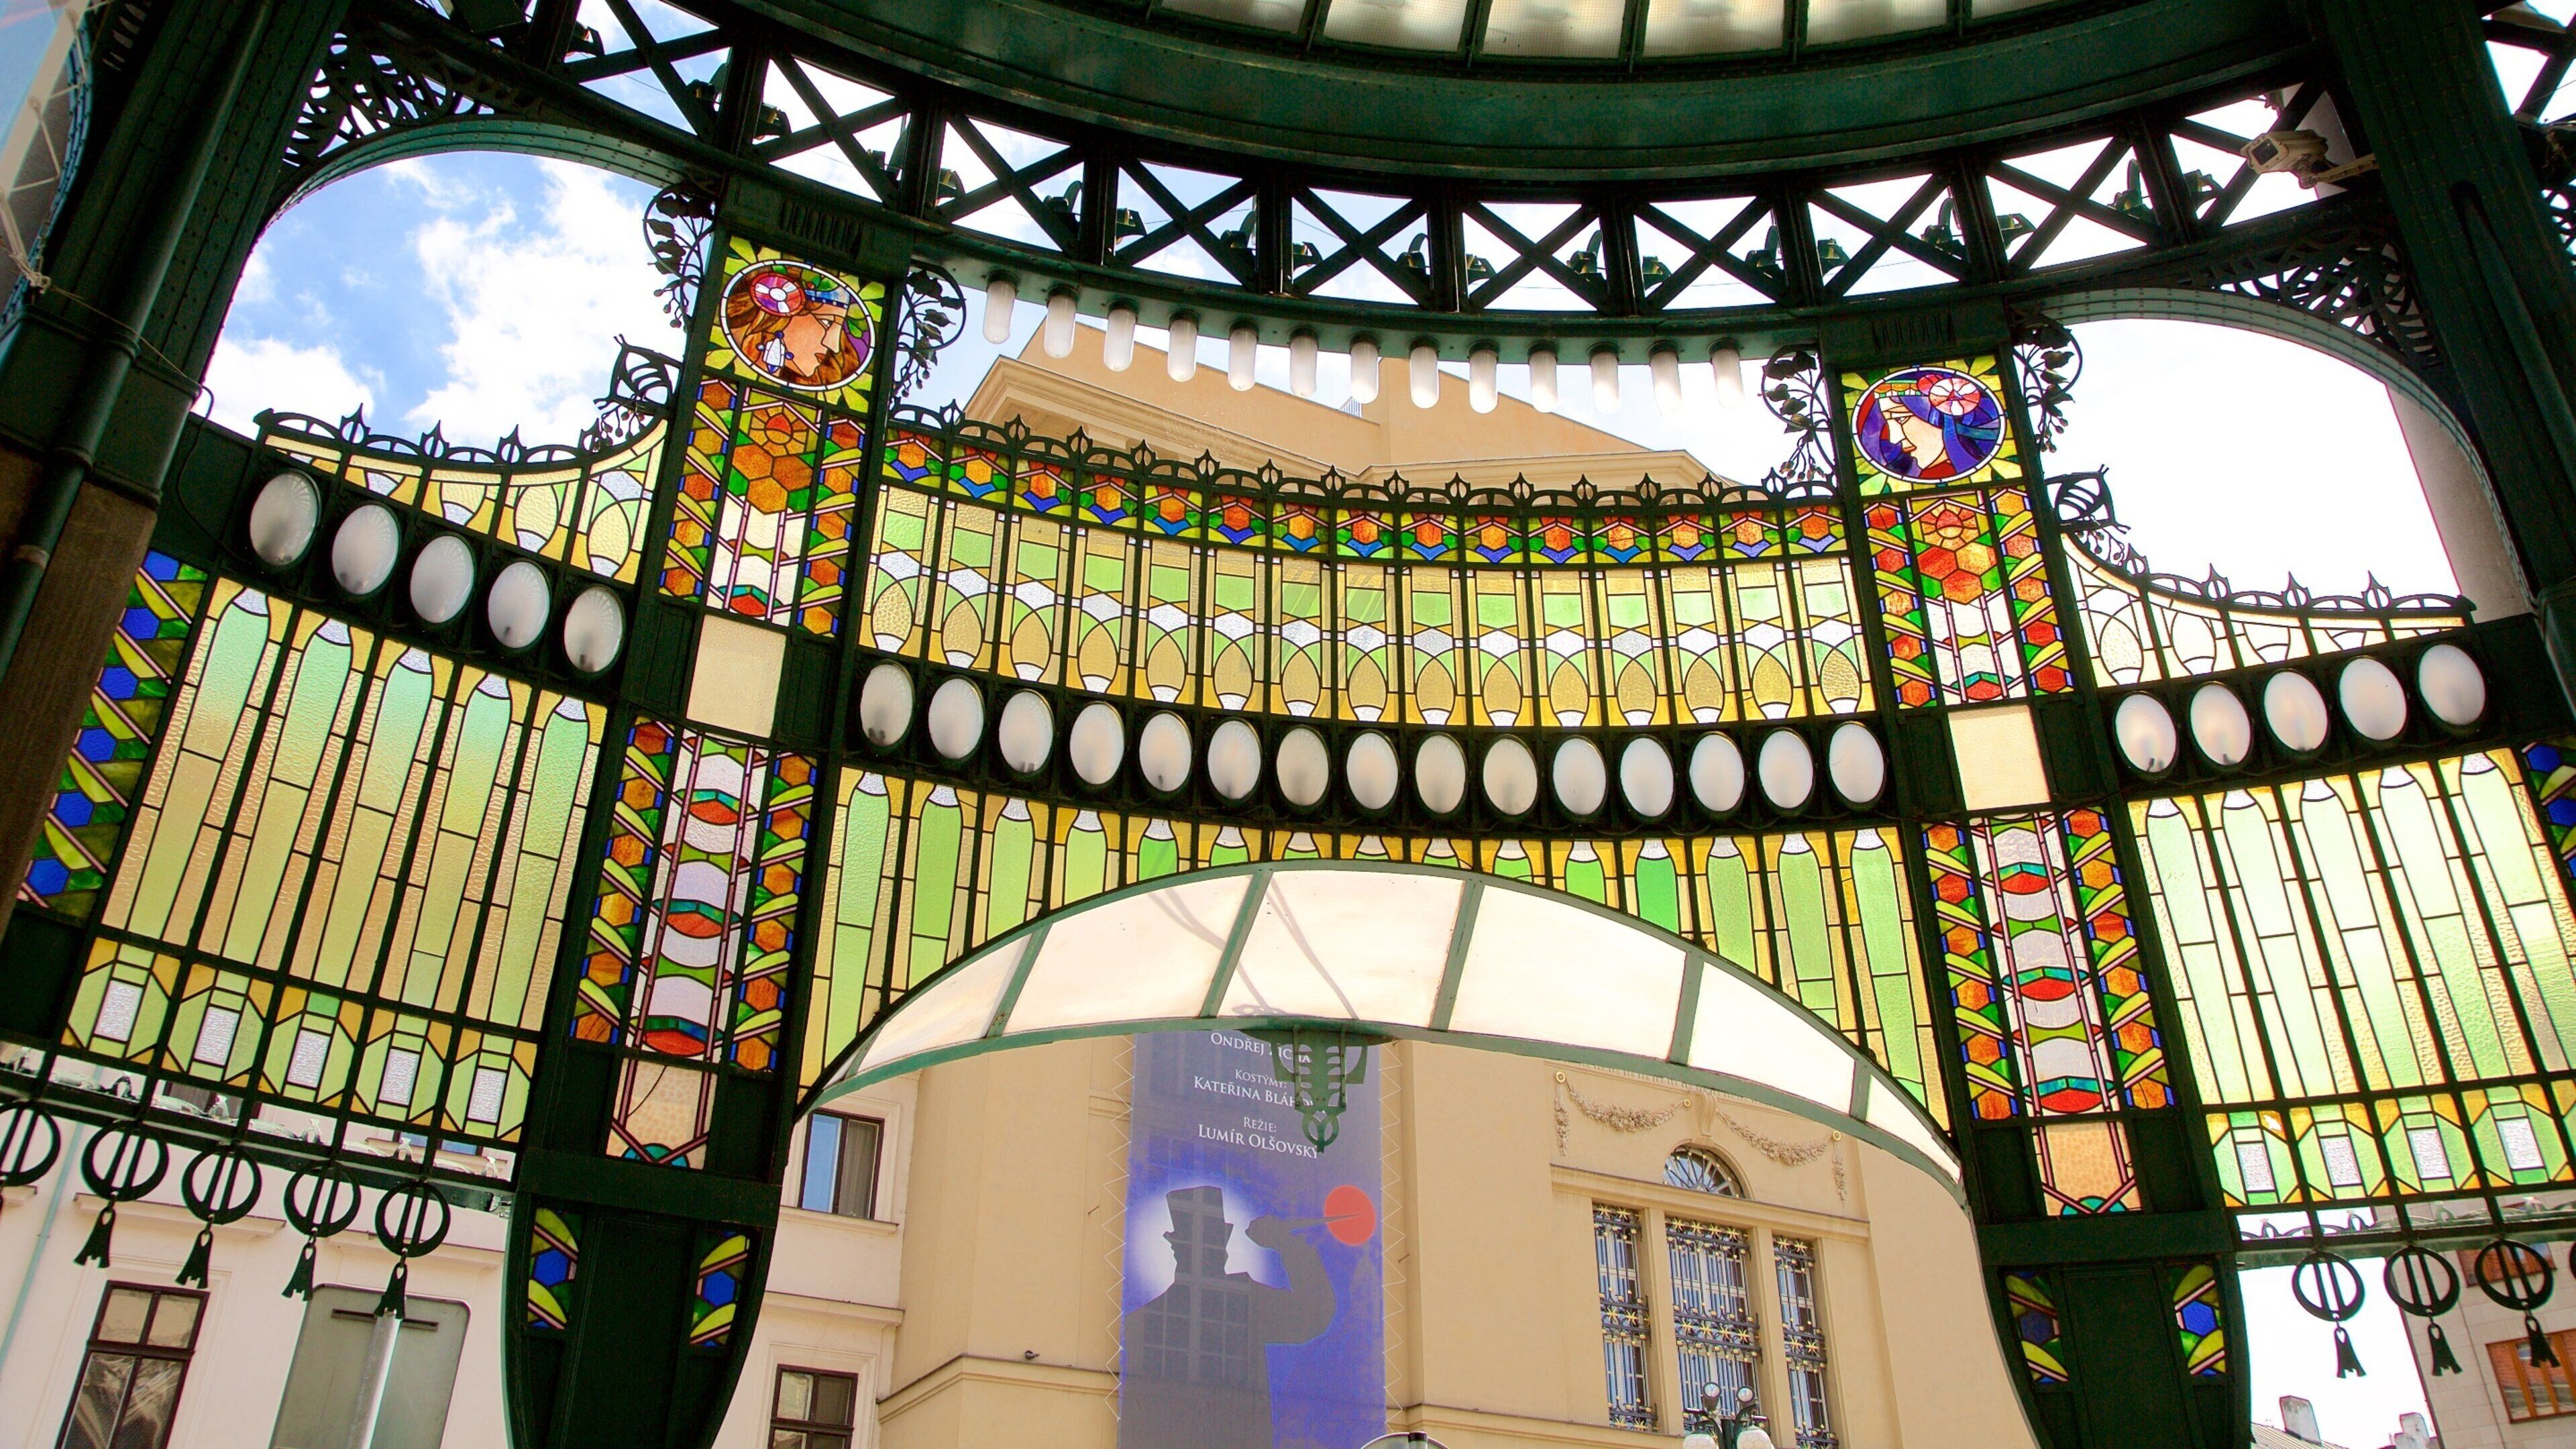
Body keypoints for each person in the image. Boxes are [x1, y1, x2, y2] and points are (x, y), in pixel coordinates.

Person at [1120, 1185, 1336, 1449]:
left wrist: (1287, 1245)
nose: (1222, 1250)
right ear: (1184, 1249)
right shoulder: (1243, 1299)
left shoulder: (1140, 1322)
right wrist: (1284, 1242)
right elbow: (1313, 1313)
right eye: (1213, 1242)